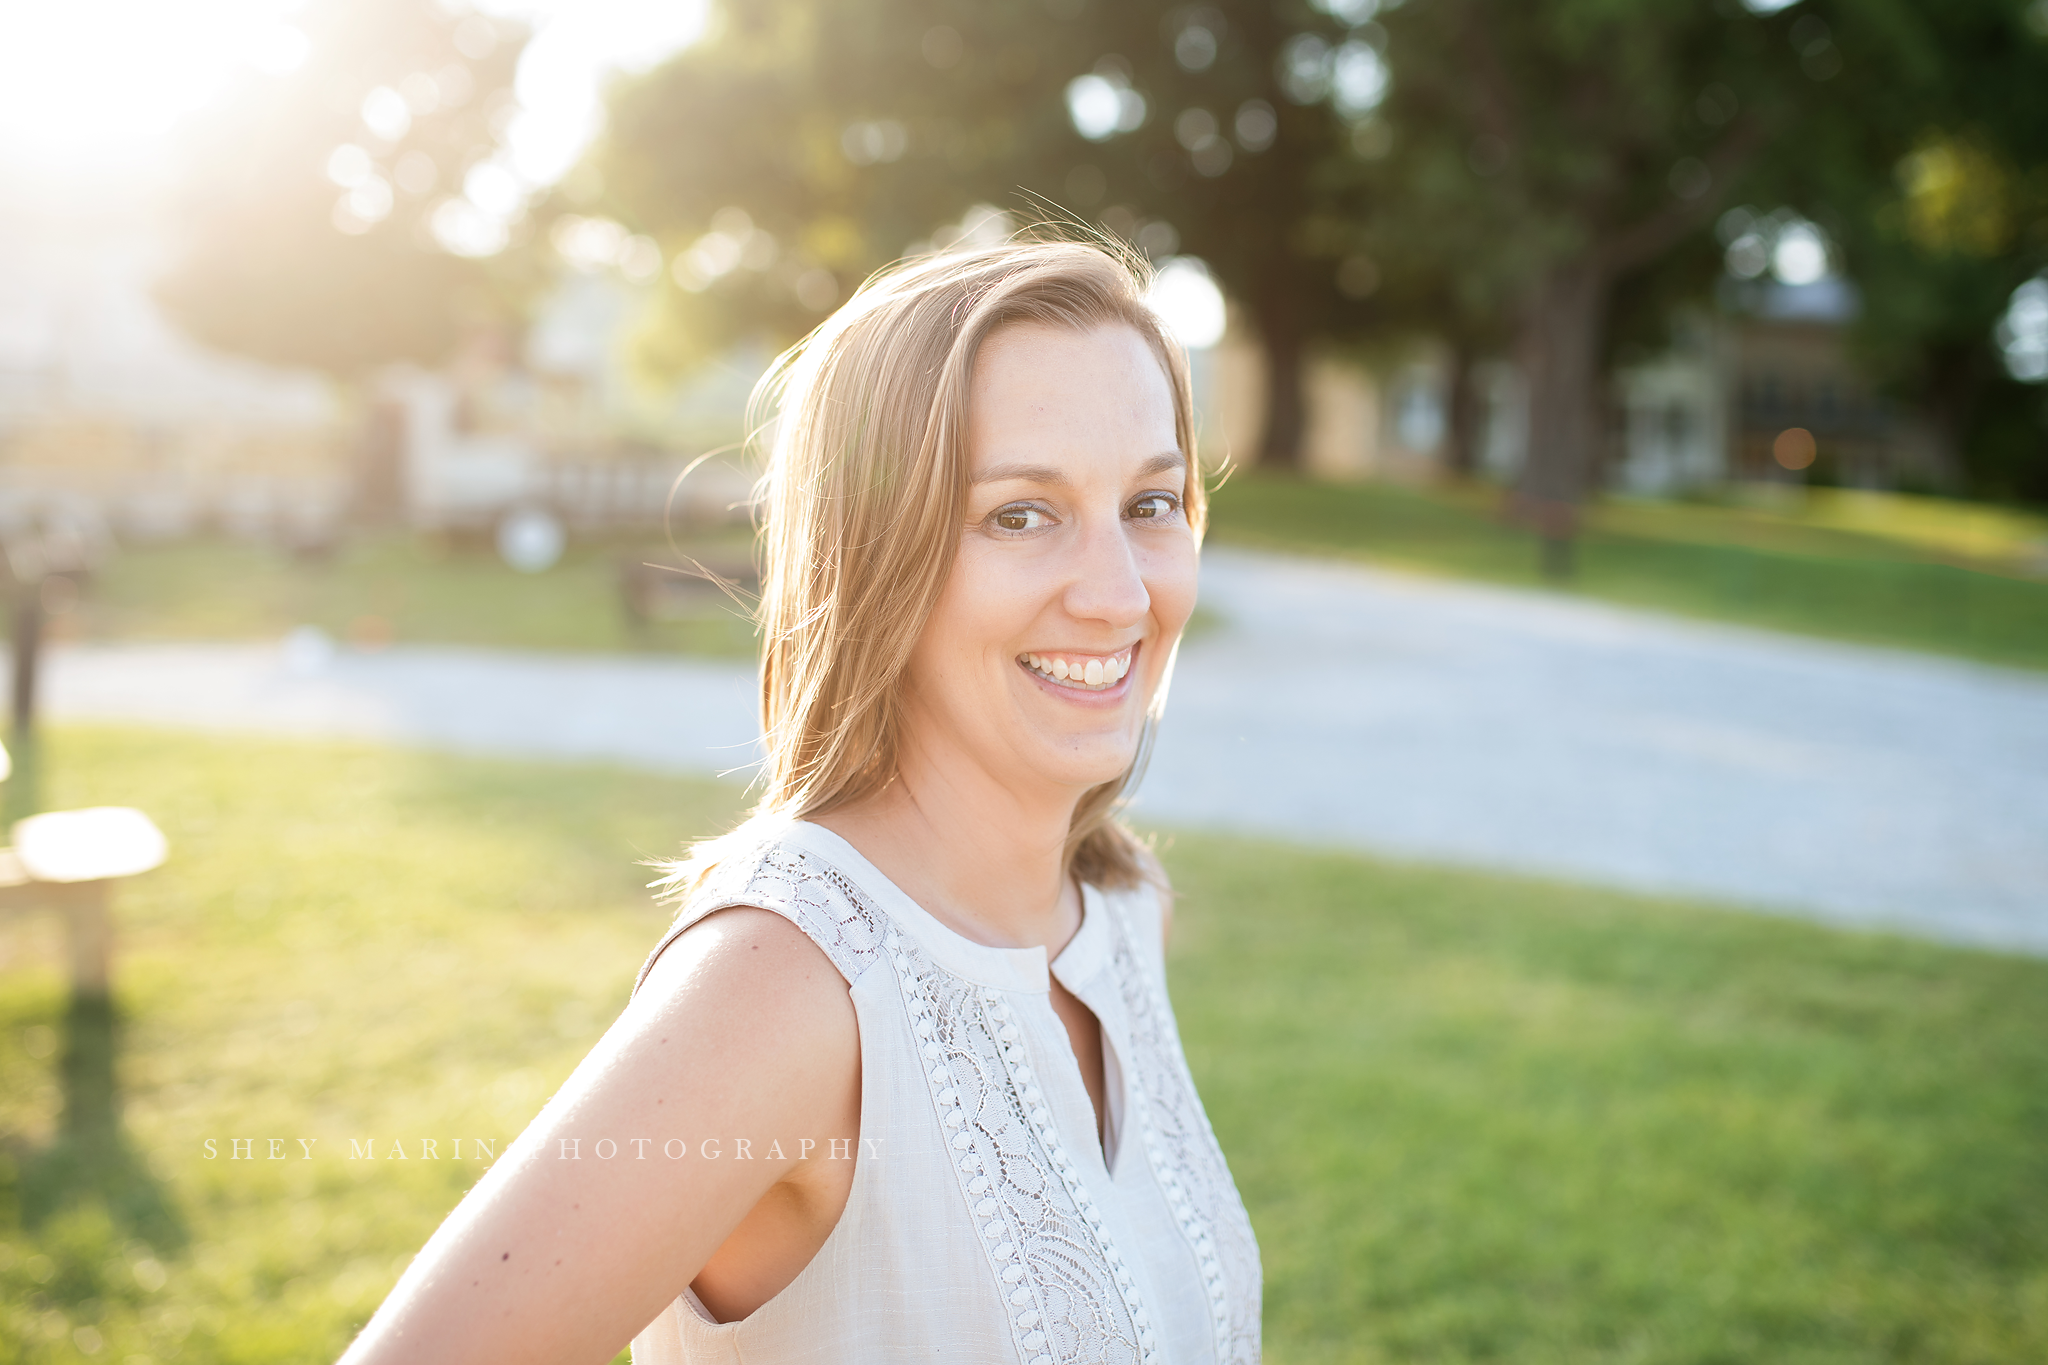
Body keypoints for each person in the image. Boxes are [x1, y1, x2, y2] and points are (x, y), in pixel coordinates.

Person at [339, 238, 1261, 1364]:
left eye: (1151, 502)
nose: (1120, 591)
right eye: (1020, 514)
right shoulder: (788, 985)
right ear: (875, 554)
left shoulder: (1124, 918)